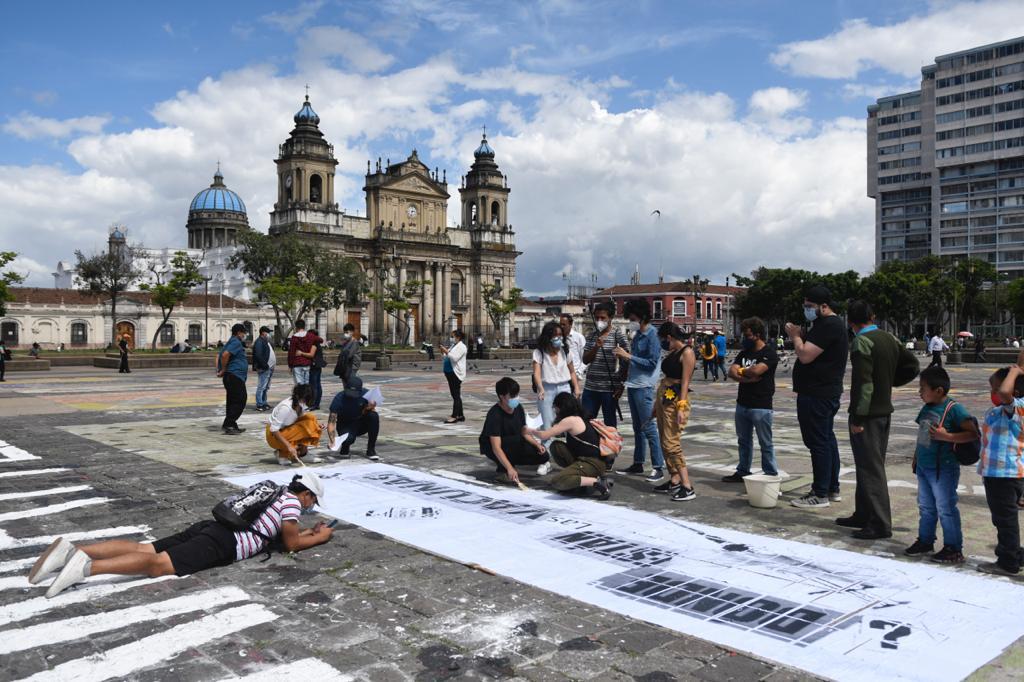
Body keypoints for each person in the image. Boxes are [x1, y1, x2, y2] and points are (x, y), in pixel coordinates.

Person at [31, 471, 331, 599]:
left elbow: (279, 532)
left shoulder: (278, 493)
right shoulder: (292, 502)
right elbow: (290, 543)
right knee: (158, 565)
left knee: (146, 549)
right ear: (305, 493)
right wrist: (320, 538)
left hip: (211, 528)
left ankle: (72, 549)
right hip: (224, 542)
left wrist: (308, 531)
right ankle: (85, 568)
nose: (309, 507)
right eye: (312, 501)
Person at [840, 300, 920, 539]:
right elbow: (913, 365)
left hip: (869, 414)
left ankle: (880, 523)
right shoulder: (889, 338)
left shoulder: (861, 342)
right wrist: (891, 381)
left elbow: (863, 384)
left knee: (871, 468)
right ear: (872, 316)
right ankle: (863, 513)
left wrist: (858, 416)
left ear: (851, 322)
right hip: (884, 410)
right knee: (869, 465)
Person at [904, 366, 976, 564]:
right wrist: (916, 456)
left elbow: (972, 433)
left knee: (945, 507)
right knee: (926, 506)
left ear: (939, 390)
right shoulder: (927, 407)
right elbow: (923, 435)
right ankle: (926, 540)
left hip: (943, 468)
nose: (920, 392)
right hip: (925, 467)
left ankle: (953, 547)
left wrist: (948, 436)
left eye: (923, 388)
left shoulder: (954, 410)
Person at [786, 284, 849, 509]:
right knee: (826, 440)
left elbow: (804, 355)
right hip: (823, 392)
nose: (806, 310)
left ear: (824, 306)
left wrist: (795, 337)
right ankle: (831, 487)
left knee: (818, 443)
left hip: (817, 394)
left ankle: (820, 492)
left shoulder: (828, 325)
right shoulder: (827, 325)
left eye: (810, 306)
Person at [977, 365, 1024, 576]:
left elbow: (1006, 393)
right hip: (995, 473)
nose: (993, 393)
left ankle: (1008, 562)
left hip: (1006, 474)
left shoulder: (1018, 408)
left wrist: (1014, 371)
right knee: (1003, 518)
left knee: (1005, 520)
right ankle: (1015, 554)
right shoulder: (998, 411)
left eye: (995, 389)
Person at [723, 317, 780, 483]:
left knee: (765, 443)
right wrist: (745, 376)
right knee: (744, 441)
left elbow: (757, 370)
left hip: (761, 405)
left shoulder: (768, 353)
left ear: (757, 335)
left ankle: (770, 474)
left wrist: (743, 372)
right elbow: (731, 372)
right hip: (742, 403)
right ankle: (742, 471)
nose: (744, 339)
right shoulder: (744, 353)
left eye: (747, 335)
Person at [614, 298, 666, 481]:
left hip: (644, 386)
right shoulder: (637, 336)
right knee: (637, 428)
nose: (631, 322)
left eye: (633, 318)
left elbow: (651, 363)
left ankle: (658, 466)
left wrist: (628, 356)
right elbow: (634, 360)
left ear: (642, 316)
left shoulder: (652, 335)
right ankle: (638, 463)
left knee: (648, 427)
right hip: (633, 384)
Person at [528, 393, 612, 499]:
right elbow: (557, 434)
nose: (555, 411)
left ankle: (598, 482)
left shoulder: (570, 420)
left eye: (555, 408)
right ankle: (581, 481)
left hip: (591, 463)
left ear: (561, 407)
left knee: (558, 481)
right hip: (593, 461)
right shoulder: (579, 417)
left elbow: (544, 435)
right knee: (557, 446)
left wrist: (528, 430)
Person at [652, 322, 697, 501]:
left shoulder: (687, 353)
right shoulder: (673, 352)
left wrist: (681, 406)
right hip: (665, 396)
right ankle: (674, 479)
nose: (663, 343)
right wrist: (656, 406)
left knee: (672, 443)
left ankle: (687, 485)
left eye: (664, 340)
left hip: (676, 399)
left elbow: (685, 381)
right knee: (664, 439)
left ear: (669, 337)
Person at [479, 377, 549, 484]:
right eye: (512, 396)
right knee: (515, 441)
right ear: (502, 397)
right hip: (493, 446)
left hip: (513, 442)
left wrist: (537, 445)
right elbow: (496, 447)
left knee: (543, 456)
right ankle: (504, 469)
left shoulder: (518, 408)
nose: (516, 398)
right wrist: (510, 468)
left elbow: (524, 432)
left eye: (517, 395)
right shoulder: (495, 415)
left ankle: (510, 463)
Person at [581, 302, 629, 427]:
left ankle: (611, 446)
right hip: (590, 387)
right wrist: (596, 347)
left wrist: (621, 385)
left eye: (603, 318)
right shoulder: (591, 336)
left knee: (610, 424)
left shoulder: (618, 334)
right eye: (597, 318)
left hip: (609, 389)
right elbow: (585, 360)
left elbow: (626, 360)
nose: (599, 321)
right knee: (586, 422)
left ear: (610, 318)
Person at [533, 321, 581, 442]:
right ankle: (546, 453)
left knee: (568, 418)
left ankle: (571, 449)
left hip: (564, 387)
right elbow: (537, 373)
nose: (558, 338)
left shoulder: (565, 351)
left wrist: (576, 387)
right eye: (555, 335)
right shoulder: (539, 353)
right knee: (547, 421)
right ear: (548, 337)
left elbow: (572, 371)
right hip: (547, 389)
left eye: (560, 335)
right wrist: (540, 388)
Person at [266, 383, 323, 465]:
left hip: (286, 430)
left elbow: (305, 418)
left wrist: (317, 425)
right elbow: (274, 429)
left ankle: (303, 454)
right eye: (304, 400)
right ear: (298, 397)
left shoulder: (300, 405)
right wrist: (289, 446)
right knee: (304, 428)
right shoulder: (286, 407)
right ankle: (282, 454)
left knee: (311, 419)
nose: (306, 403)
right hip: (273, 435)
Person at [327, 375, 379, 461]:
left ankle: (371, 450)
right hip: (345, 424)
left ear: (360, 390)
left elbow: (371, 411)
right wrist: (332, 440)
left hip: (360, 422)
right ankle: (345, 447)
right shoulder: (339, 399)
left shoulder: (366, 394)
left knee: (374, 416)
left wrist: (369, 408)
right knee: (348, 439)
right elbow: (331, 422)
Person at [217, 323, 249, 435]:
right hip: (234, 376)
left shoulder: (230, 342)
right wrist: (223, 369)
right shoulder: (235, 342)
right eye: (243, 332)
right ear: (239, 332)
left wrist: (220, 370)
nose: (244, 334)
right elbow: (225, 355)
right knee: (241, 400)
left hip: (231, 376)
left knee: (232, 401)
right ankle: (229, 423)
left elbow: (219, 356)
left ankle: (230, 424)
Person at [441, 329, 468, 423]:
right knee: (455, 395)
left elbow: (455, 358)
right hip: (449, 372)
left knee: (455, 395)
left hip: (455, 374)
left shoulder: (462, 347)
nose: (451, 338)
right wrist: (444, 352)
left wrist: (447, 352)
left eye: (453, 336)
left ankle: (454, 416)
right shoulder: (454, 345)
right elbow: (447, 356)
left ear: (458, 337)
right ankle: (460, 415)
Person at [252, 326, 275, 412]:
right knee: (261, 386)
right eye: (267, 332)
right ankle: (259, 404)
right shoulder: (259, 342)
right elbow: (258, 355)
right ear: (263, 333)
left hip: (269, 367)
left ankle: (264, 402)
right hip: (264, 368)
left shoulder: (265, 341)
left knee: (265, 387)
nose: (269, 334)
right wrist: (265, 365)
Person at [333, 323, 362, 389]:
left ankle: (349, 396)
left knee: (349, 383)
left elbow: (349, 355)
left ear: (352, 332)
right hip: (345, 366)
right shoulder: (346, 342)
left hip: (351, 366)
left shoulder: (354, 342)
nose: (345, 334)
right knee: (344, 383)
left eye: (347, 332)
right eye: (344, 332)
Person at [560, 314, 587, 383]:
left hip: (574, 374)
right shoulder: (558, 338)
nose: (561, 327)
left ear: (570, 324)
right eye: (560, 324)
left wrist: (579, 372)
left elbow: (585, 358)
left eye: (564, 324)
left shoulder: (579, 337)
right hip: (560, 374)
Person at [287, 319, 315, 385]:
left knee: (299, 384)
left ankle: (301, 395)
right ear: (304, 326)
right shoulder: (309, 336)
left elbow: (291, 352)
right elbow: (320, 340)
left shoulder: (294, 337)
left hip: (297, 363)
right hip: (307, 363)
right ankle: (307, 395)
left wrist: (290, 365)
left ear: (296, 327)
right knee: (306, 384)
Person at [307, 328, 326, 410]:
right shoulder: (317, 342)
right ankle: (316, 403)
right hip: (317, 366)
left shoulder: (314, 343)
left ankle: (314, 403)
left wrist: (301, 353)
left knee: (314, 385)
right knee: (317, 384)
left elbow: (311, 355)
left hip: (314, 366)